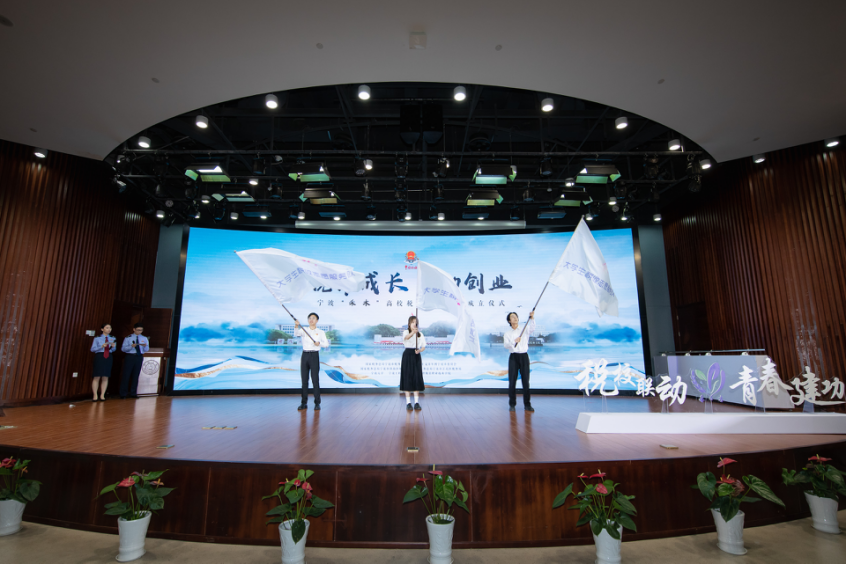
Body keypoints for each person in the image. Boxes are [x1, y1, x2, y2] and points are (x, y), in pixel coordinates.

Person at [294, 313, 329, 411]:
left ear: (317, 320)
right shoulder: (304, 330)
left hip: (314, 355)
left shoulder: (320, 332)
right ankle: (303, 403)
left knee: (315, 380)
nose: (311, 320)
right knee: (304, 380)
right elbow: (296, 333)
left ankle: (317, 403)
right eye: (309, 318)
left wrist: (319, 343)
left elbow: (326, 344)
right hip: (305, 355)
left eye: (313, 318)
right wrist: (296, 325)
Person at [503, 311, 535, 412]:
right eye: (512, 317)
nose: (515, 318)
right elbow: (506, 345)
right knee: (512, 381)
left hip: (524, 356)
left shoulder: (524, 329)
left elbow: (532, 328)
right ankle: (512, 404)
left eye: (516, 316)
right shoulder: (507, 333)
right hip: (513, 357)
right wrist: (514, 341)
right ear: (509, 321)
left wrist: (532, 318)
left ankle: (527, 404)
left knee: (526, 381)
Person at [400, 315, 426, 411]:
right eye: (412, 322)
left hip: (416, 355)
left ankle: (416, 402)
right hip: (407, 354)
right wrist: (413, 332)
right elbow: (406, 338)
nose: (414, 324)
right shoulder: (406, 332)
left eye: (416, 322)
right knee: (407, 378)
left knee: (416, 377)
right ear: (409, 324)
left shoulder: (420, 334)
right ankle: (408, 403)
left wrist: (419, 350)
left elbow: (423, 346)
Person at [120, 323, 150, 398]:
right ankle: (123, 393)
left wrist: (145, 346)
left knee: (136, 375)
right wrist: (131, 346)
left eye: (141, 330)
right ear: (134, 329)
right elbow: (123, 349)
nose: (140, 331)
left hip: (139, 357)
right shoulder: (128, 338)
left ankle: (133, 393)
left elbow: (146, 349)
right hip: (130, 356)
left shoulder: (144, 338)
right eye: (138, 330)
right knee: (126, 375)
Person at [90, 323, 116, 401]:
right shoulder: (97, 338)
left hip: (108, 357)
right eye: (107, 327)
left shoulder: (113, 338)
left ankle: (102, 395)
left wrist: (113, 347)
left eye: (110, 328)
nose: (109, 329)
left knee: (105, 376)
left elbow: (113, 350)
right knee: (97, 376)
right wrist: (101, 346)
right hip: (100, 356)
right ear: (102, 329)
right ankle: (95, 395)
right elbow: (92, 349)